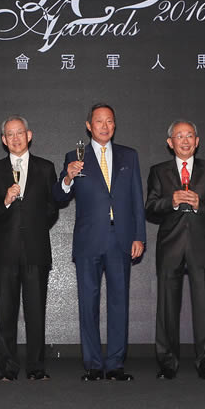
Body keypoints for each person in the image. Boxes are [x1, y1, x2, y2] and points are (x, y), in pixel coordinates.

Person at [53, 103, 145, 382]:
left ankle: (115, 364)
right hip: (88, 240)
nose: (105, 126)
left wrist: (139, 235)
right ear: (88, 125)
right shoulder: (74, 157)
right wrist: (68, 177)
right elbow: (59, 196)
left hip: (121, 239)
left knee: (119, 303)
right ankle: (93, 364)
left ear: (114, 125)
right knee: (88, 303)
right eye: (99, 121)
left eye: (109, 121)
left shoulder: (129, 156)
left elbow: (137, 199)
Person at [145, 120, 205, 380]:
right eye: (179, 136)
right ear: (170, 143)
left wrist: (200, 204)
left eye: (189, 135)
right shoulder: (158, 171)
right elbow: (150, 207)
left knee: (204, 308)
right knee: (167, 309)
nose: (185, 140)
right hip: (170, 246)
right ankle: (167, 363)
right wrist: (170, 201)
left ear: (197, 141)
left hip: (202, 247)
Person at [0, 115, 59, 381]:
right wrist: (5, 201)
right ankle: (8, 369)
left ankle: (36, 368)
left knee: (36, 314)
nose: (15, 138)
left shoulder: (45, 168)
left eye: (20, 133)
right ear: (4, 140)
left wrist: (35, 222)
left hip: (37, 250)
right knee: (6, 314)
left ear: (29, 135)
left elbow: (52, 208)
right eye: (10, 134)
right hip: (6, 252)